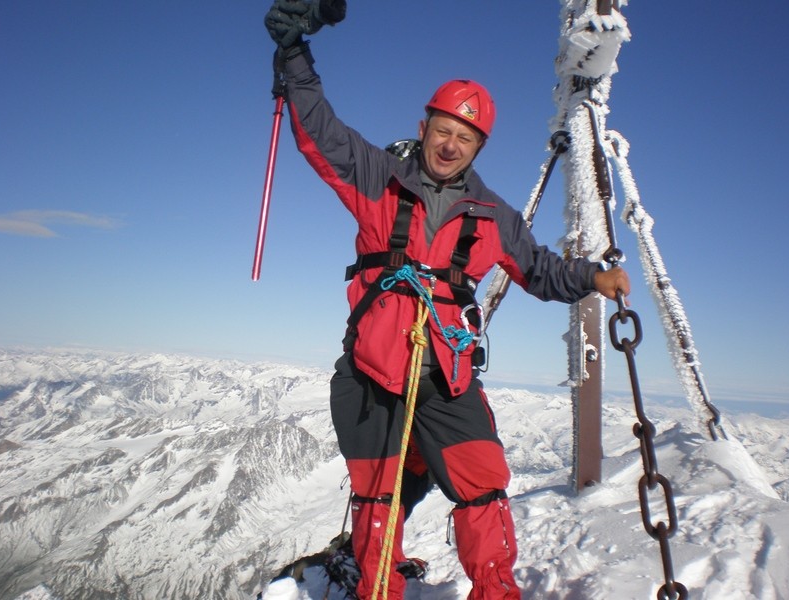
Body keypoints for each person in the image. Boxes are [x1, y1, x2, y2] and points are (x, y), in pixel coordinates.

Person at [264, 2, 631, 599]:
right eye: (443, 130)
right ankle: (377, 590)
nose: (450, 144)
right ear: (426, 125)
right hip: (370, 377)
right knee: (377, 501)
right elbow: (318, 128)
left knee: (482, 488)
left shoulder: (493, 218)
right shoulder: (377, 177)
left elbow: (538, 270)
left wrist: (592, 277)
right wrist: (293, 52)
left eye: (465, 137)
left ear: (477, 147)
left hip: (444, 381)